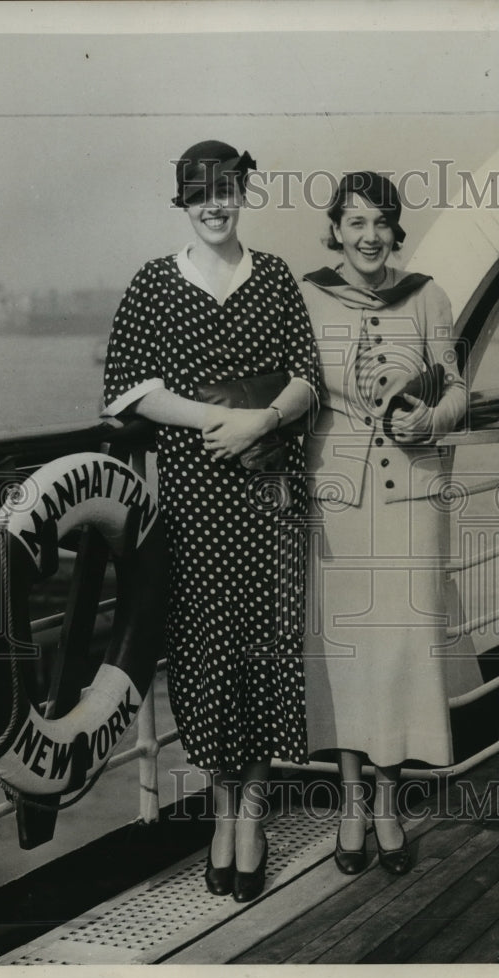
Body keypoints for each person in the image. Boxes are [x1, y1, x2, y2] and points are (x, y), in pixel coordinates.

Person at [102, 140, 319, 902]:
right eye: (200, 194)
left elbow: (306, 381)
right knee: (205, 659)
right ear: (183, 203)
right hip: (195, 508)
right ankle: (220, 816)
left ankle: (247, 824)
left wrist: (260, 422)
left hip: (267, 502)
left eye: (226, 190)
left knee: (264, 655)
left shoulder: (275, 279)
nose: (214, 205)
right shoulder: (156, 284)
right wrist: (213, 422)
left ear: (243, 193)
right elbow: (129, 391)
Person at [301, 171, 478, 877]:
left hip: (411, 498)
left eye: (380, 223)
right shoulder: (307, 297)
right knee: (347, 658)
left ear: (394, 230)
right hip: (338, 501)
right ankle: (349, 800)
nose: (368, 236)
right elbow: (290, 390)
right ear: (335, 231)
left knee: (401, 654)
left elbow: (457, 385)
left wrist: (429, 417)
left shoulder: (428, 295)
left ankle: (386, 800)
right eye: (355, 223)